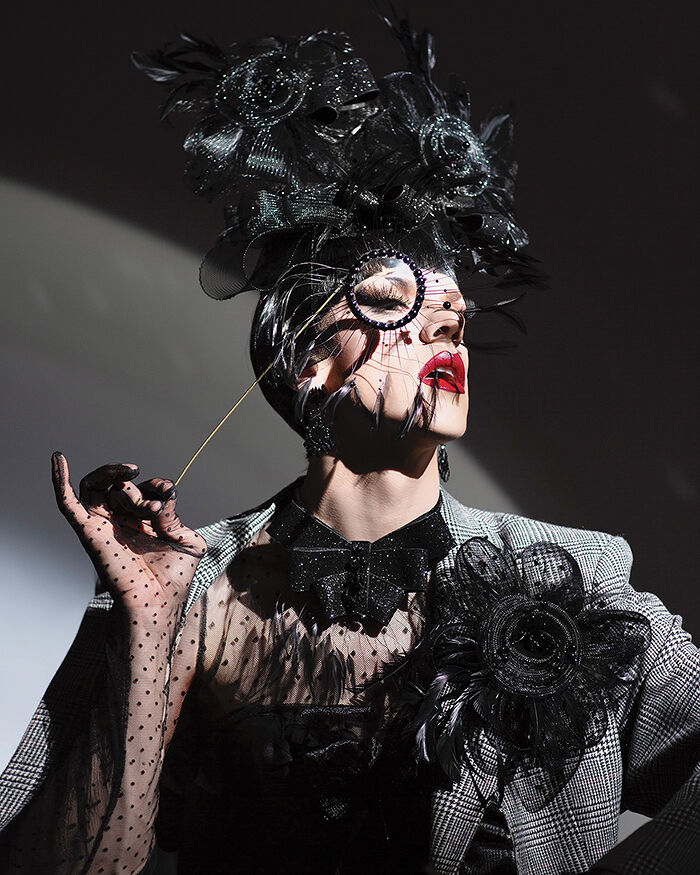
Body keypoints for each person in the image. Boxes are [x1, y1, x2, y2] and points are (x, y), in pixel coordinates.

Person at [0, 12, 698, 875]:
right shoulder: (183, 580)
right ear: (307, 364)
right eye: (389, 300)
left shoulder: (576, 575)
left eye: (454, 315)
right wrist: (149, 634)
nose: (443, 327)